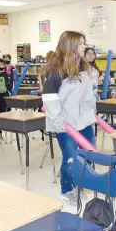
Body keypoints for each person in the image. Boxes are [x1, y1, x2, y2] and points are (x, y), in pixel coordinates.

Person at [42, 31, 96, 207]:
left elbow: (87, 94)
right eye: (81, 44)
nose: (84, 47)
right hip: (66, 124)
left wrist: (92, 112)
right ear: (71, 46)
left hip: (85, 120)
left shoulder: (83, 66)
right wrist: (60, 123)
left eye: (84, 42)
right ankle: (66, 190)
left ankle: (79, 184)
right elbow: (49, 99)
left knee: (87, 155)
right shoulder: (57, 70)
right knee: (70, 158)